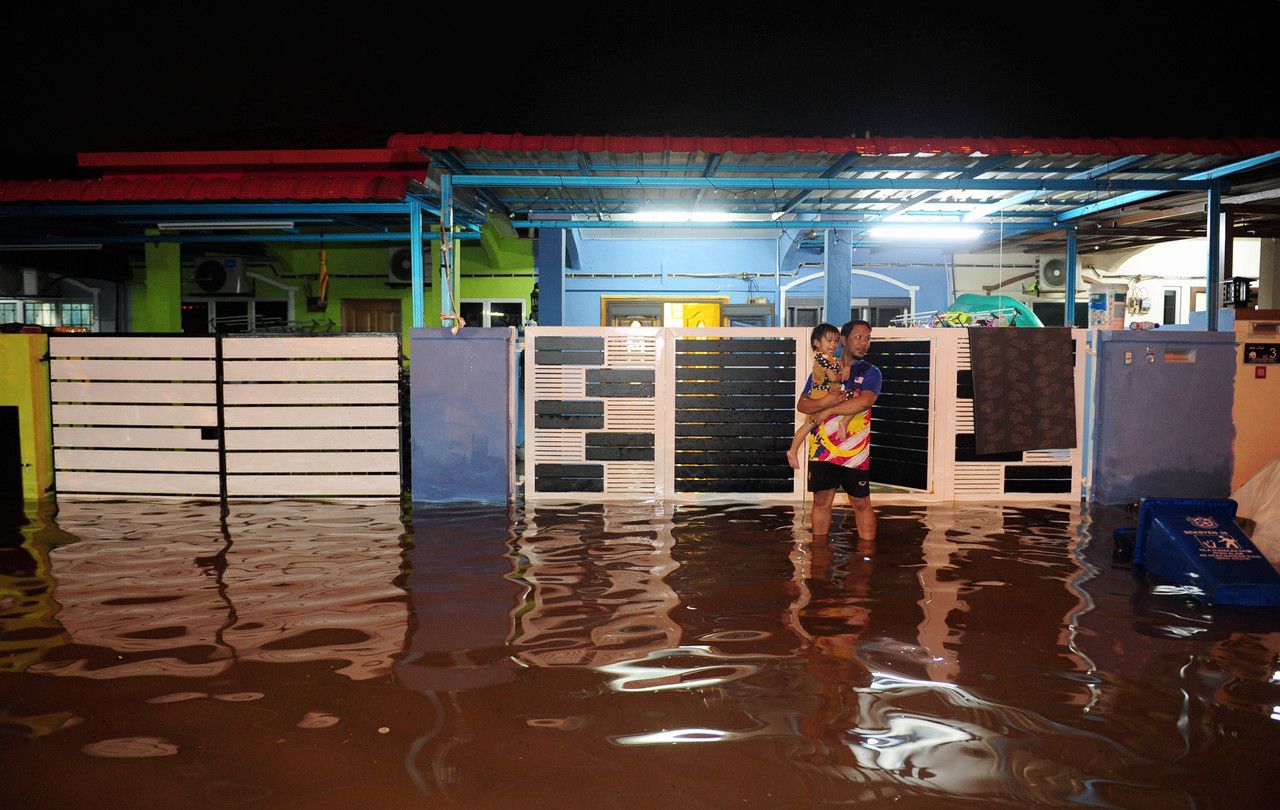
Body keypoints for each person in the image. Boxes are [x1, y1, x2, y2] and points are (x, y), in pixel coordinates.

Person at [795, 320, 881, 540]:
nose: (863, 343)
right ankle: (818, 552)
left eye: (867, 338)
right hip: (821, 448)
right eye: (858, 337)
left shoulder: (871, 372)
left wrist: (827, 411)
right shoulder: (824, 369)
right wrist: (826, 402)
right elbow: (803, 405)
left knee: (861, 502)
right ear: (843, 340)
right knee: (821, 501)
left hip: (855, 451)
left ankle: (867, 552)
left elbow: (864, 401)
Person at [785, 323, 849, 470]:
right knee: (852, 397)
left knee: (809, 424)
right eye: (829, 340)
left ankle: (793, 450)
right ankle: (793, 451)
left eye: (836, 341)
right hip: (822, 394)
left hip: (825, 394)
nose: (833, 344)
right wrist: (843, 375)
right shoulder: (822, 358)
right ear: (816, 342)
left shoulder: (830, 358)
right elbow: (833, 378)